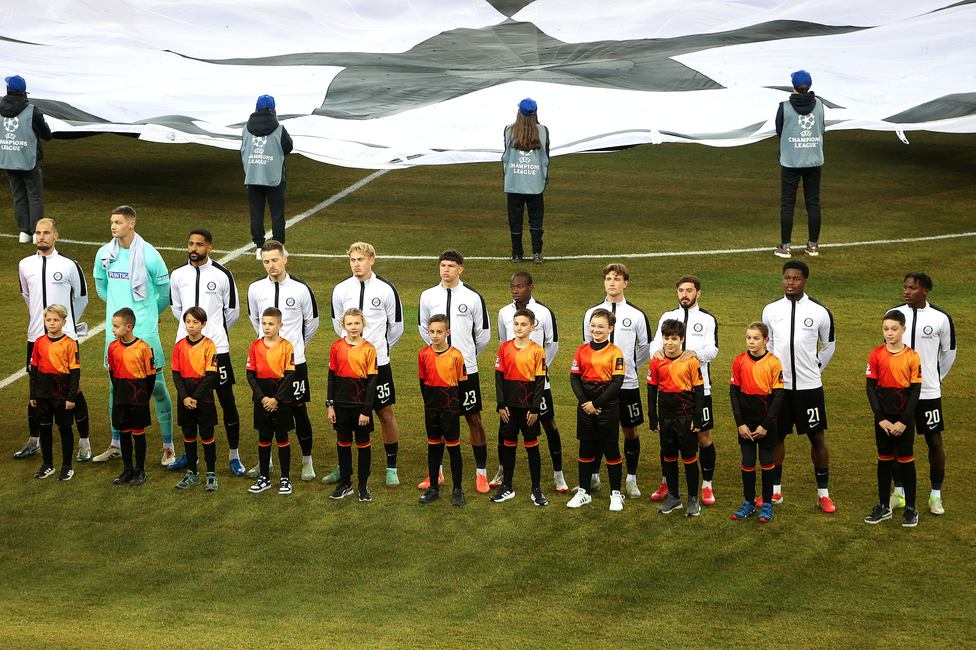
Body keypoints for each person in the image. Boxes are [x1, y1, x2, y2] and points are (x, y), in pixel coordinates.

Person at [92, 206, 175, 466]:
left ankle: (168, 446)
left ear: (132, 224)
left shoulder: (149, 255)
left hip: (145, 334)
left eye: (118, 222)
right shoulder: (104, 254)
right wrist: (119, 317)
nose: (113, 226)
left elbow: (165, 292)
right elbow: (101, 287)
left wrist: (148, 314)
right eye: (111, 222)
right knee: (115, 388)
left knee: (158, 387)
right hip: (115, 335)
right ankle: (116, 443)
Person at [324, 242, 404, 488]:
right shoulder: (340, 289)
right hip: (347, 367)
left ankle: (391, 468)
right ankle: (344, 466)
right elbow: (338, 325)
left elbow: (397, 327)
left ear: (372, 260)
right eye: (352, 260)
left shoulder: (386, 289)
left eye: (360, 259)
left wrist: (378, 352)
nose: (356, 264)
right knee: (344, 415)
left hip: (378, 365)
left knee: (385, 413)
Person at [761, 260, 836, 513]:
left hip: (809, 388)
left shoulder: (820, 312)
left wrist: (815, 369)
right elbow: (768, 345)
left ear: (805, 281)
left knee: (817, 437)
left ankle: (823, 494)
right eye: (786, 278)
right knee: (777, 437)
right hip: (780, 388)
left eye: (795, 279)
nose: (790, 282)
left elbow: (828, 346)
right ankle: (776, 492)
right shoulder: (771, 310)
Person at [169, 228, 244, 475]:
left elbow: (232, 311)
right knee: (188, 400)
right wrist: (191, 334)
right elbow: (177, 308)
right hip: (187, 349)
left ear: (209, 248)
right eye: (190, 244)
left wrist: (214, 333)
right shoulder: (178, 274)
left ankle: (234, 455)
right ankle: (189, 454)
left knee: (226, 400)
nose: (193, 249)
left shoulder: (223, 274)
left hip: (217, 349)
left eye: (199, 245)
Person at [16, 218, 90, 462]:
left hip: (65, 339)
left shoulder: (69, 265)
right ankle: (33, 441)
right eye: (37, 232)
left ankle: (84, 442)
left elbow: (81, 298)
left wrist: (64, 324)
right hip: (36, 336)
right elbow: (27, 295)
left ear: (56, 235)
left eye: (46, 232)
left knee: (73, 388)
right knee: (37, 388)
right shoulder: (25, 264)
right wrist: (43, 323)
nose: (41, 237)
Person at [418, 250, 491, 492]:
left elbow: (483, 335)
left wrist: (464, 359)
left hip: (466, 370)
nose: (446, 269)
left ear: (461, 269)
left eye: (451, 265)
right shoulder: (428, 296)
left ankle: (481, 473)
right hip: (436, 373)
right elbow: (423, 329)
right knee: (437, 422)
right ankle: (435, 473)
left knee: (473, 418)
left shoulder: (472, 297)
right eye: (442, 265)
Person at [247, 241, 319, 481]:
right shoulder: (255, 289)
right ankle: (265, 463)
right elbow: (256, 322)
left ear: (285, 259)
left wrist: (294, 349)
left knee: (299, 410)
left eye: (274, 260)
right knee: (265, 411)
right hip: (264, 365)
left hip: (294, 364)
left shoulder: (300, 289)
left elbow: (312, 323)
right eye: (266, 261)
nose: (270, 265)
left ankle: (307, 461)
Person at [887, 272, 956, 515]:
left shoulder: (940, 318)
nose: (906, 291)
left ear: (925, 291)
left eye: (912, 288)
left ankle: (935, 495)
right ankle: (900, 492)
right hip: (899, 393)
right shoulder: (894, 315)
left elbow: (948, 354)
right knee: (897, 442)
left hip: (927, 394)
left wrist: (934, 380)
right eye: (905, 287)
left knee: (934, 440)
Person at [494, 271, 566, 492]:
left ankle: (558, 473)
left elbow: (552, 345)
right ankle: (502, 470)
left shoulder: (544, 313)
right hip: (511, 384)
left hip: (537, 383)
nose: (515, 290)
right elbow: (502, 342)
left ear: (531, 287)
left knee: (548, 422)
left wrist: (538, 373)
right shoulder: (504, 313)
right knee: (505, 425)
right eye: (512, 286)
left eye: (520, 286)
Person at [649, 275, 719, 505]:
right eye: (681, 290)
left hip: (699, 389)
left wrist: (695, 354)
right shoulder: (667, 317)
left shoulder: (707, 319)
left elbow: (713, 350)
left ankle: (706, 486)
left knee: (703, 437)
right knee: (667, 437)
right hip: (670, 391)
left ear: (698, 293)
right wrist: (656, 352)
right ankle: (667, 483)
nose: (684, 295)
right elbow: (655, 346)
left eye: (689, 291)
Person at [582, 263, 650, 494]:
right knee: (600, 429)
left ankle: (631, 479)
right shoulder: (591, 313)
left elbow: (646, 347)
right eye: (608, 278)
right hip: (598, 384)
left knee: (630, 430)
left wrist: (629, 367)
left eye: (617, 279)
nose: (612, 283)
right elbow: (587, 346)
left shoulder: (636, 315)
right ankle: (593, 476)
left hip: (628, 383)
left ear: (625, 283)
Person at [864, 311, 922, 528]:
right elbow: (871, 388)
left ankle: (911, 508)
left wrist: (904, 421)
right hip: (884, 420)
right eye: (886, 328)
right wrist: (881, 419)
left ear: (903, 330)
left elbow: (915, 392)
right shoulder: (876, 354)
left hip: (903, 420)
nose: (889, 333)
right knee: (884, 461)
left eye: (894, 328)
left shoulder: (912, 357)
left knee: (907, 461)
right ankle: (884, 506)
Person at [567, 309, 626, 511]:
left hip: (607, 408)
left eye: (601, 326)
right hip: (585, 408)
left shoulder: (615, 352)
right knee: (585, 449)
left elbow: (617, 382)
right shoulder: (581, 350)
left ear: (610, 328)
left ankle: (616, 494)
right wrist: (586, 403)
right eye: (593, 325)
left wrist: (596, 404)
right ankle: (584, 492)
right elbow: (574, 378)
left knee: (611, 449)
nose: (596, 329)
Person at [490, 308, 549, 506]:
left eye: (523, 324)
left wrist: (534, 409)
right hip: (508, 408)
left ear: (533, 327)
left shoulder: (537, 350)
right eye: (516, 324)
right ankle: (507, 487)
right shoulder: (504, 348)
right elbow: (499, 378)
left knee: (532, 446)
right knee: (509, 446)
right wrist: (500, 404)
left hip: (528, 409)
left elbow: (540, 382)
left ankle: (536, 489)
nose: (519, 328)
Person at [646, 320, 705, 517]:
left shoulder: (690, 361)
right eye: (666, 338)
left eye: (674, 339)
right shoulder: (656, 361)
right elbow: (651, 389)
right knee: (669, 458)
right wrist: (653, 417)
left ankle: (692, 499)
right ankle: (674, 497)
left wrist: (697, 417)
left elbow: (699, 390)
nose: (669, 343)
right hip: (666, 418)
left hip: (685, 418)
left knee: (689, 459)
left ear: (682, 339)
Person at [729, 322, 784, 524]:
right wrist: (740, 423)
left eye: (756, 338)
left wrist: (765, 425)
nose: (751, 341)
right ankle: (749, 502)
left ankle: (767, 504)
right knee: (748, 462)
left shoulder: (773, 362)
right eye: (748, 337)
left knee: (767, 462)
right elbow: (734, 393)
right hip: (746, 423)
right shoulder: (739, 361)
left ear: (766, 340)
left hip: (765, 423)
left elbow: (778, 397)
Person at [326, 309, 379, 503]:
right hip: (340, 406)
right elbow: (331, 378)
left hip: (360, 408)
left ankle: (363, 484)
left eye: (357, 323)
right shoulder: (336, 347)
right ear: (343, 326)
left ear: (363, 325)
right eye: (349, 324)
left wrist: (366, 410)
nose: (353, 327)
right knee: (343, 444)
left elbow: (372, 383)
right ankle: (346, 483)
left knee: (363, 444)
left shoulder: (369, 349)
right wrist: (330, 405)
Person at [774, 69, 826, 258]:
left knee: (788, 204)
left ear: (794, 86)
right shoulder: (819, 104)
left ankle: (785, 246)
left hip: (791, 161)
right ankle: (813, 245)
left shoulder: (784, 106)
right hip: (813, 160)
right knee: (813, 203)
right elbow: (822, 128)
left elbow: (780, 131)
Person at [245, 307, 296, 496]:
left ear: (280, 325)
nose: (266, 327)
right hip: (262, 400)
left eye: (271, 324)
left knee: (282, 437)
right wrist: (263, 398)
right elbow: (250, 375)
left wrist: (276, 399)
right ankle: (264, 477)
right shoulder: (255, 346)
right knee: (264, 438)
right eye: (264, 323)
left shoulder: (286, 346)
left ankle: (285, 478)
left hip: (281, 401)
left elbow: (290, 374)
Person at [418, 314, 468, 507]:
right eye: (432, 332)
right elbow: (423, 382)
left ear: (447, 332)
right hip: (431, 408)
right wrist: (429, 403)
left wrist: (455, 407)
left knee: (454, 448)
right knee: (433, 448)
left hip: (450, 410)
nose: (435, 335)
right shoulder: (423, 354)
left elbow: (462, 385)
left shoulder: (456, 355)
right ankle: (433, 489)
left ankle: (457, 489)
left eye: (439, 332)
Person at [28, 305, 81, 481]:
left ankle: (67, 466)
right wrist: (32, 395)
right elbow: (34, 370)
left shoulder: (70, 344)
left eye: (56, 320)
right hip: (43, 395)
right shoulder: (39, 342)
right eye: (49, 320)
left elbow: (75, 372)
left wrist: (71, 397)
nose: (52, 323)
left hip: (62, 395)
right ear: (44, 321)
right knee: (45, 428)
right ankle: (47, 464)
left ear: (64, 322)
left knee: (64, 429)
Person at [171, 307, 220, 491]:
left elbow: (210, 376)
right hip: (185, 400)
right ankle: (192, 473)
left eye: (195, 322)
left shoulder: (209, 345)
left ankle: (211, 474)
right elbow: (176, 374)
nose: (190, 326)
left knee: (207, 435)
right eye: (188, 322)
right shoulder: (179, 346)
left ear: (203, 324)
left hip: (203, 399)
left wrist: (194, 397)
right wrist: (185, 397)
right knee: (189, 435)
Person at [107, 307, 156, 487]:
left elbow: (151, 376)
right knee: (124, 434)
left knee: (138, 434)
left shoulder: (143, 348)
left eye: (116, 326)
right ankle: (127, 469)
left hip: (138, 398)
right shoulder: (112, 347)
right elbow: (112, 372)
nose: (113, 329)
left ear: (128, 327)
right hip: (120, 397)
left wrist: (144, 397)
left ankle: (139, 470)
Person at [1, 75, 52, 243]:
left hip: (9, 157)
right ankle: (37, 233)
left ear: (8, 89)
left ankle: (24, 233)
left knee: (19, 196)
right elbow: (46, 134)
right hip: (29, 159)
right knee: (34, 196)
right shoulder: (31, 110)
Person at [241, 94, 294, 258]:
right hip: (274, 176)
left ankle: (258, 247)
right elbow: (288, 147)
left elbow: (243, 149)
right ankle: (278, 246)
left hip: (253, 175)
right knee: (277, 213)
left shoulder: (246, 128)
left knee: (256, 213)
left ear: (256, 109)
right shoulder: (278, 128)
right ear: (273, 110)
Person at [502, 98, 550, 264]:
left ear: (519, 112)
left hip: (514, 181)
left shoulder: (509, 130)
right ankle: (537, 253)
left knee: (515, 219)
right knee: (536, 219)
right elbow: (545, 157)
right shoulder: (543, 131)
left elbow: (506, 157)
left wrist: (507, 174)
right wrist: (543, 177)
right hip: (535, 182)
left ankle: (517, 253)